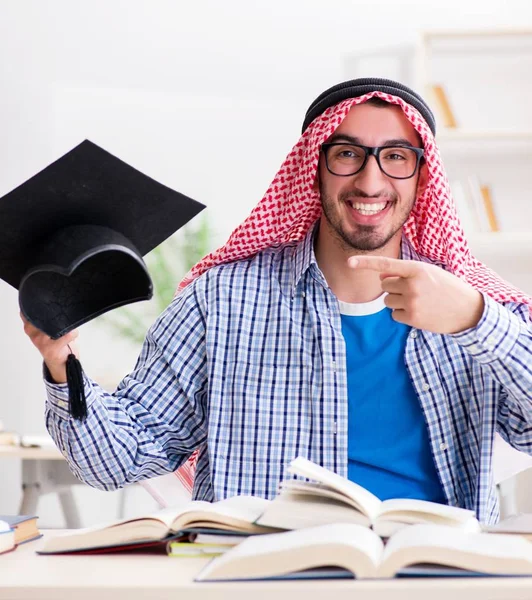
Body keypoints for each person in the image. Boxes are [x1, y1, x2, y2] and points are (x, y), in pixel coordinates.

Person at [23, 78, 532, 525]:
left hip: (438, 575)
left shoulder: (475, 302)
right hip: (260, 577)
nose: (371, 181)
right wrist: (59, 360)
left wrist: (474, 320)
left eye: (396, 156)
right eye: (348, 154)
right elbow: (116, 461)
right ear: (314, 168)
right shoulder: (219, 301)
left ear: (423, 178)